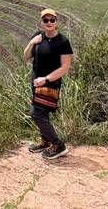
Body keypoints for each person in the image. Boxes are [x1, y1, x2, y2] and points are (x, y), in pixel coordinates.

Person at [24, 8, 73, 159]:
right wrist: (32, 43)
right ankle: (45, 141)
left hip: (49, 83)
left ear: (57, 22)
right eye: (46, 20)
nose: (49, 22)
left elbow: (65, 67)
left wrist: (45, 79)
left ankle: (58, 145)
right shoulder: (38, 37)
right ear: (41, 22)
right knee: (42, 113)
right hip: (36, 80)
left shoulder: (63, 41)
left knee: (36, 113)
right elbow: (26, 56)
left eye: (52, 20)